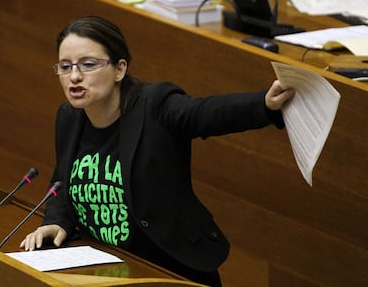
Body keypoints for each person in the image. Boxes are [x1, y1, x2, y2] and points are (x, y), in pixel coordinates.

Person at [20, 16, 294, 286]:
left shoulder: (154, 106)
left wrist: (263, 104)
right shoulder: (69, 117)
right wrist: (57, 221)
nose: (75, 76)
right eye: (65, 67)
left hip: (168, 270)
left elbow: (204, 114)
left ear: (120, 69)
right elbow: (64, 181)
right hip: (106, 268)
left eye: (89, 64)